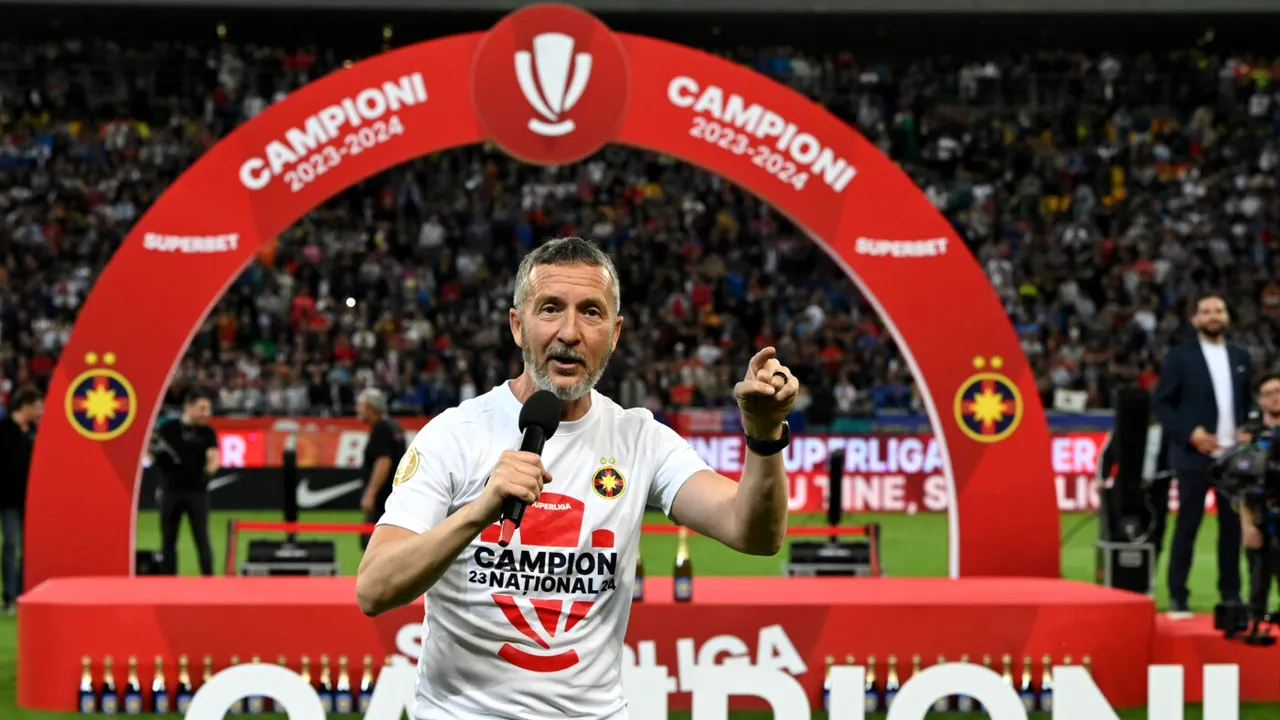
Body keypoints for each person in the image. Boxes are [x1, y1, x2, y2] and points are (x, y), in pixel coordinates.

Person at [355, 236, 797, 720]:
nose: (569, 332)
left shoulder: (639, 438)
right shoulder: (455, 435)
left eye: (591, 312)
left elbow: (754, 533)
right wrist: (479, 512)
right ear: (517, 325)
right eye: (550, 309)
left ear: (615, 332)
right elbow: (374, 589)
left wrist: (764, 433)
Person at [1153, 294, 1253, 618]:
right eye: (1206, 312)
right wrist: (1190, 433)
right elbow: (1162, 404)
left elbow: (1249, 402)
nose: (1213, 316)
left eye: (1218, 311)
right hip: (1194, 456)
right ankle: (1178, 595)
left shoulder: (1241, 356)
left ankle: (1231, 596)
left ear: (1227, 317)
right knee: (1188, 526)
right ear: (1195, 320)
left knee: (1232, 530)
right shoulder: (1180, 357)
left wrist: (1250, 428)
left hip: (1233, 459)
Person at [151, 390, 220, 576]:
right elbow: (152, 454)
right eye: (202, 408)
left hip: (197, 493)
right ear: (188, 407)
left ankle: (208, 579)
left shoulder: (208, 432)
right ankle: (168, 581)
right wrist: (157, 457)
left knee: (202, 538)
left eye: (208, 409)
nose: (207, 413)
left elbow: (213, 458)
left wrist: (205, 477)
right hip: (170, 492)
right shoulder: (168, 429)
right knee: (168, 540)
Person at [1237, 372, 1280, 623]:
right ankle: (1255, 623)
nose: (1275, 398)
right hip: (1261, 516)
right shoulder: (1251, 437)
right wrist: (1247, 525)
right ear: (1260, 400)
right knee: (1257, 581)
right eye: (1268, 393)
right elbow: (1242, 486)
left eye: (1278, 391)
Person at [0, 388, 43, 612]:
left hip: (31, 501)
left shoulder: (34, 431)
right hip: (8, 498)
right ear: (24, 406)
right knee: (11, 544)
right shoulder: (4, 429)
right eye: (37, 407)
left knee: (30, 549)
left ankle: (21, 591)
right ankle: (9, 596)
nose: (39, 411)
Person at [357, 388, 405, 550]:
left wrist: (370, 494)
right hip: (395, 498)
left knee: (372, 546)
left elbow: (383, 462)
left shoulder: (381, 428)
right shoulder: (394, 426)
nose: (357, 409)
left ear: (370, 408)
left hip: (382, 501)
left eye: (360, 405)